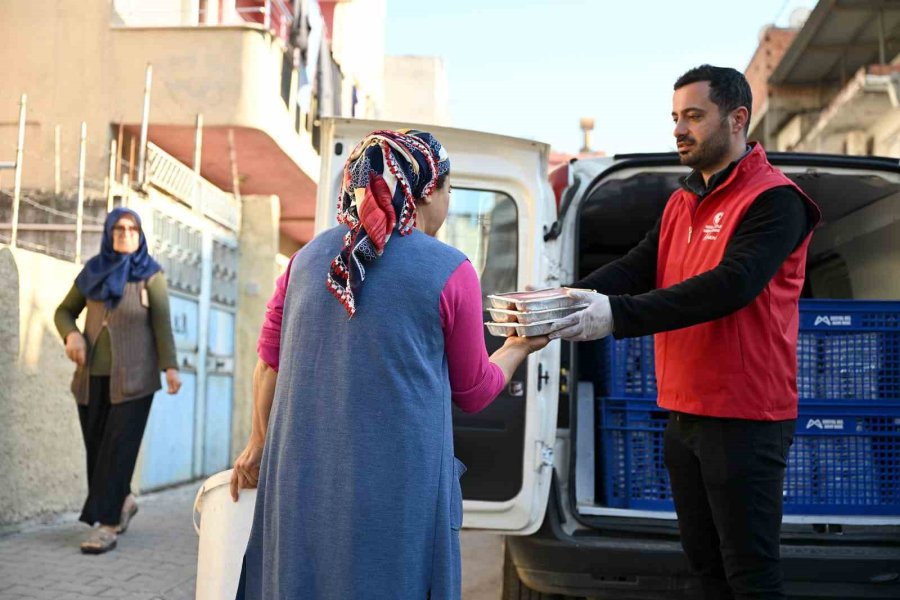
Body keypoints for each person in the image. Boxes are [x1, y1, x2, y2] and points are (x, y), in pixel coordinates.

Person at [230, 129, 548, 599]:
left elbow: (268, 365)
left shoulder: (303, 260)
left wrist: (258, 441)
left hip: (302, 479)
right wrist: (520, 345)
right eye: (447, 188)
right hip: (397, 488)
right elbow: (474, 390)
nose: (449, 200)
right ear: (425, 191)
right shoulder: (451, 270)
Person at [549, 65, 821, 600]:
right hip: (684, 413)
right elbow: (636, 266)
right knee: (705, 569)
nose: (679, 129)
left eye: (694, 116)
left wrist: (617, 316)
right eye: (675, 117)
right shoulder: (683, 201)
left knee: (751, 575)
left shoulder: (776, 200)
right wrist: (561, 301)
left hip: (745, 417)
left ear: (737, 119)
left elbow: (732, 284)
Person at [55, 207, 181, 554]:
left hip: (136, 381)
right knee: (97, 451)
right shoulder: (93, 272)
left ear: (140, 235)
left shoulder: (151, 276)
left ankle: (107, 525)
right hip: (90, 379)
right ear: (109, 233)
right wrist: (72, 335)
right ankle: (123, 501)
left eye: (133, 228)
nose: (126, 233)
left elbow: (162, 325)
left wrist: (170, 367)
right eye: (119, 228)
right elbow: (63, 311)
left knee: (117, 449)